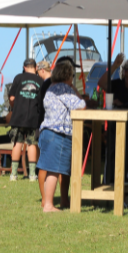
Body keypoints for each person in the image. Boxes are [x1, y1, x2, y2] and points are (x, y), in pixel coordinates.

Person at [37, 60, 86, 212]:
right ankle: (49, 205)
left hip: (46, 131)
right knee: (54, 170)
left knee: (48, 168)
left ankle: (47, 201)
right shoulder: (65, 89)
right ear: (68, 76)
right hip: (58, 133)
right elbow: (81, 105)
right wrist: (74, 90)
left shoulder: (51, 88)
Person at [97, 53, 128, 184]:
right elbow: (101, 83)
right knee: (112, 155)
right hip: (115, 127)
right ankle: (108, 185)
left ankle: (124, 193)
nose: (126, 67)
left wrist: (124, 104)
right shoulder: (117, 84)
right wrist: (114, 65)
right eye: (125, 65)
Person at [8, 58, 44, 182]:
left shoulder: (18, 78)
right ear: (35, 68)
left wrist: (15, 107)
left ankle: (13, 174)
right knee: (32, 144)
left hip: (18, 116)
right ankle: (32, 175)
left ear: (24, 67)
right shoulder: (40, 81)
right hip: (34, 117)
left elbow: (12, 98)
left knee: (17, 143)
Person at [35, 59, 52, 206]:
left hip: (44, 124)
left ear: (41, 70)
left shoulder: (45, 84)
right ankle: (47, 198)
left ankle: (44, 198)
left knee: (44, 163)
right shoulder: (50, 84)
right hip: (49, 125)